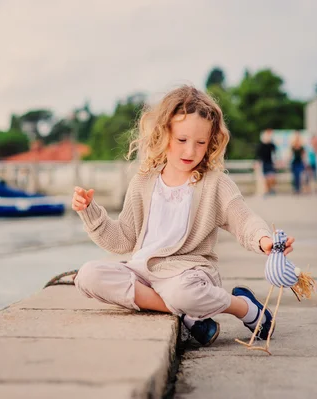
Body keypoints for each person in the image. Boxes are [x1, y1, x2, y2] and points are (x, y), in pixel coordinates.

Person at [71, 86, 295, 347]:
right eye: (181, 140)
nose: (190, 151)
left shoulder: (215, 184)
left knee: (183, 293)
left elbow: (243, 219)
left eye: (200, 143)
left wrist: (264, 240)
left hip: (189, 274)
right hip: (143, 272)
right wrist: (90, 212)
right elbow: (123, 240)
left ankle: (243, 307)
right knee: (87, 275)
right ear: (164, 135)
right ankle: (189, 317)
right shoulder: (143, 181)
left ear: (210, 141)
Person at [256, 129, 277, 195]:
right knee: (266, 178)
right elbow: (258, 155)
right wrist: (257, 162)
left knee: (271, 177)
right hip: (264, 163)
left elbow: (275, 153)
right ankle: (268, 190)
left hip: (271, 163)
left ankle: (271, 189)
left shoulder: (272, 145)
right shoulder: (261, 145)